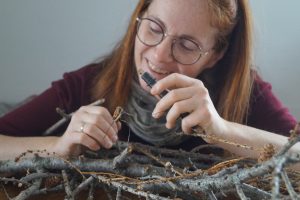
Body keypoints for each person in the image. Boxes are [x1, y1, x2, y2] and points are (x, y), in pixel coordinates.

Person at [0, 0, 299, 168]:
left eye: (186, 45)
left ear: (216, 55)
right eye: (154, 28)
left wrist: (221, 131)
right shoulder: (88, 84)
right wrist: (59, 146)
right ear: (139, 18)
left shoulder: (246, 91)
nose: (158, 56)